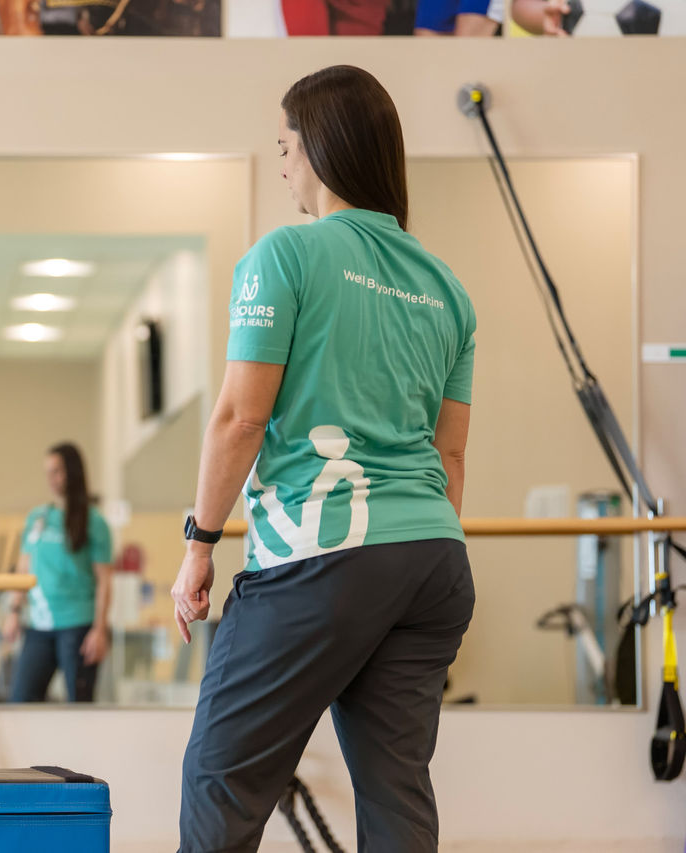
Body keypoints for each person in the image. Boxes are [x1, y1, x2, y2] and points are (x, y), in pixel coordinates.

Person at [172, 65, 477, 852]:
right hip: (434, 562)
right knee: (396, 791)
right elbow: (450, 455)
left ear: (321, 149)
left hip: (322, 552)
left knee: (223, 777)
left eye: (284, 145)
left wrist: (199, 544)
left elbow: (241, 418)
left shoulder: (287, 256)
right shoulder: (447, 286)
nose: (281, 165)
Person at [3, 443, 113, 703]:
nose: (51, 479)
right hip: (39, 626)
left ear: (72, 472)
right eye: (48, 473)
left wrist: (100, 629)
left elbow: (105, 582)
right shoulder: (37, 518)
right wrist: (13, 612)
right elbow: (23, 568)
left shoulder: (94, 522)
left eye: (57, 472)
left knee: (79, 705)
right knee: (21, 701)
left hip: (78, 626)